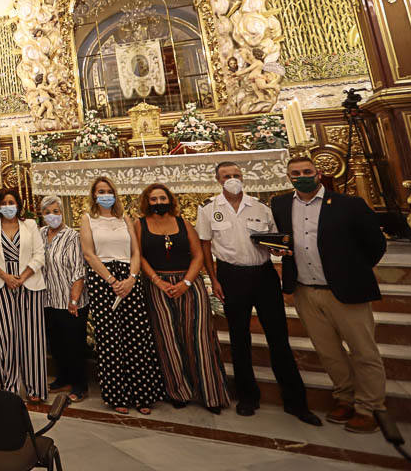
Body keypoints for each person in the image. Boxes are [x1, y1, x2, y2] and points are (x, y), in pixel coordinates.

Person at [272, 157, 387, 432]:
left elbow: (375, 244)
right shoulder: (280, 205)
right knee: (329, 352)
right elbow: (282, 240)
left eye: (307, 172)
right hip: (305, 290)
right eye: (296, 173)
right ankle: (345, 398)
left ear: (318, 173)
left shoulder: (349, 204)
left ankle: (369, 407)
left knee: (363, 351)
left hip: (345, 290)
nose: (302, 177)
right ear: (289, 177)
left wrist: (352, 270)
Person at [198, 161, 319, 424]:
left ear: (244, 177)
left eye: (237, 175)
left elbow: (276, 241)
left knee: (278, 337)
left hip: (263, 275)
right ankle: (247, 397)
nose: (233, 179)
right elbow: (205, 246)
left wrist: (278, 250)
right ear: (218, 180)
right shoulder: (208, 209)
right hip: (231, 276)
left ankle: (295, 401)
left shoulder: (262, 207)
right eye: (227, 176)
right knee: (239, 338)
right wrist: (214, 278)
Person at [135, 183, 229, 412]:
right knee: (167, 339)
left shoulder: (183, 223)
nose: (159, 203)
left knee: (199, 337)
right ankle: (179, 391)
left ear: (170, 200)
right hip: (158, 285)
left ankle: (211, 394)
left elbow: (198, 255)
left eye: (162, 198)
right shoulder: (139, 224)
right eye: (154, 199)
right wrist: (158, 281)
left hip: (189, 284)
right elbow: (138, 256)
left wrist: (186, 282)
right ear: (147, 202)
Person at [79, 177, 164, 415]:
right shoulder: (87, 219)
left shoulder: (125, 218)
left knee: (137, 336)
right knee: (110, 339)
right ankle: (118, 395)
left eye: (109, 191)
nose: (105, 195)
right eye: (100, 192)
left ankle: (143, 394)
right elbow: (89, 253)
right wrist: (112, 281)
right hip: (102, 278)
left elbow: (136, 252)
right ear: (94, 195)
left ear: (115, 195)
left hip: (129, 277)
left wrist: (132, 279)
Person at [0, 188, 47, 401]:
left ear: (18, 205)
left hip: (29, 284)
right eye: (4, 202)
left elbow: (39, 254)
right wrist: (6, 276)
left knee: (32, 337)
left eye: (12, 202)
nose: (8, 206)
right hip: (0, 285)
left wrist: (22, 276)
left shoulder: (30, 225)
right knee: (5, 336)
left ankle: (34, 388)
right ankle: (8, 387)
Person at [39, 195, 88, 401]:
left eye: (56, 212)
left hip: (70, 300)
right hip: (48, 300)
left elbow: (79, 269)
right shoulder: (39, 234)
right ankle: (63, 379)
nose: (52, 216)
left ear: (63, 213)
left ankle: (79, 385)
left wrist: (74, 300)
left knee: (74, 344)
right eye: (47, 212)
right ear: (42, 215)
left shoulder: (73, 236)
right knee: (57, 344)